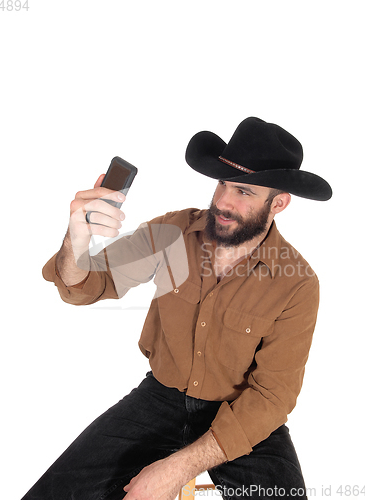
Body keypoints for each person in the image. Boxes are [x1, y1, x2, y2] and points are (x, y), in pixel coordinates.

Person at [22, 117, 332, 500]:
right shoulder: (172, 232)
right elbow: (85, 285)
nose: (222, 201)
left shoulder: (297, 283)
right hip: (159, 399)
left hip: (241, 416)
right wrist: (76, 239)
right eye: (221, 183)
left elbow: (272, 397)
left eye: (244, 191)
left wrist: (174, 469)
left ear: (279, 203)